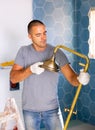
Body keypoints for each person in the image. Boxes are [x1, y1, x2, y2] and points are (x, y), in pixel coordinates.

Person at [10, 20, 90, 130]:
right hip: (30, 110)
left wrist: (81, 79)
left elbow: (72, 79)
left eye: (44, 33)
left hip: (52, 109)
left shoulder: (56, 52)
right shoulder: (24, 51)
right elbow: (13, 78)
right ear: (30, 36)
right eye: (38, 35)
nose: (43, 38)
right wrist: (30, 70)